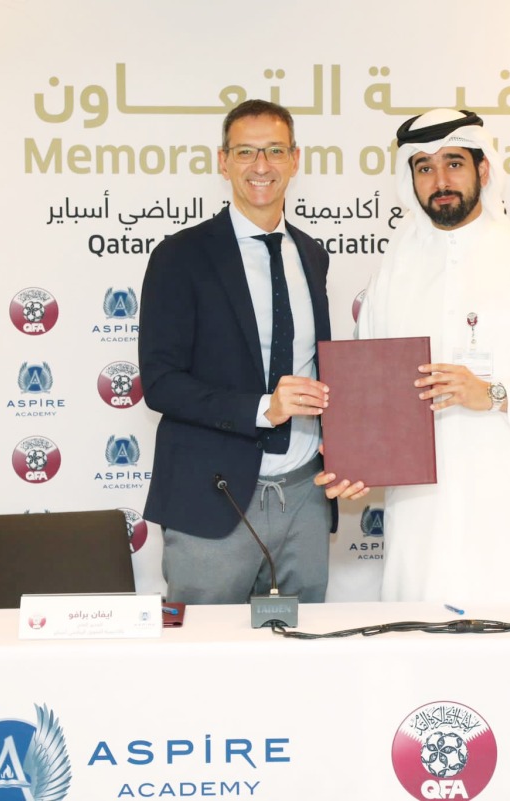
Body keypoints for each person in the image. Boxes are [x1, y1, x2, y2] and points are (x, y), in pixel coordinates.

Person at [319, 108, 510, 604]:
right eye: (424, 167)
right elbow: (366, 395)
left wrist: (497, 393)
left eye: (454, 163)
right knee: (428, 668)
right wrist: (352, 458)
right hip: (425, 524)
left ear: (483, 169)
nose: (440, 180)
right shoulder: (392, 277)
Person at [139, 99, 334, 604]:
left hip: (306, 495)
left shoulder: (312, 255)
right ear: (222, 161)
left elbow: (322, 367)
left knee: (304, 656)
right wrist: (261, 407)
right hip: (213, 495)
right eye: (246, 152)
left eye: (273, 151)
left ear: (295, 159)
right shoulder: (179, 256)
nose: (261, 166)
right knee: (201, 659)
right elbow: (160, 381)